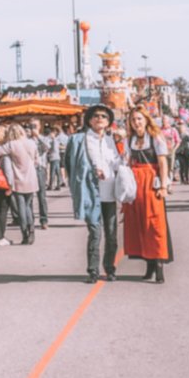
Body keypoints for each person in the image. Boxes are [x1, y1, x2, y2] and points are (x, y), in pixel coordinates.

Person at [65, 105, 121, 283]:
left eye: (104, 116)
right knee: (95, 233)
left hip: (110, 192)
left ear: (108, 121)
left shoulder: (110, 140)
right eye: (95, 116)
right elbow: (70, 165)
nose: (99, 118)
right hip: (91, 192)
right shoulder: (80, 140)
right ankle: (93, 271)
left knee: (111, 233)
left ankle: (110, 268)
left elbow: (117, 162)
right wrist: (90, 172)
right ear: (89, 120)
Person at [122, 108, 172, 283]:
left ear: (146, 120)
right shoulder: (130, 140)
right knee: (138, 224)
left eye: (139, 119)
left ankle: (158, 265)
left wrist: (164, 185)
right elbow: (127, 162)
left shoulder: (156, 137)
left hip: (151, 182)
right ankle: (148, 264)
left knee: (154, 223)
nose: (136, 122)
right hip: (135, 183)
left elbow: (162, 162)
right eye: (133, 119)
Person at [0, 123, 40, 245]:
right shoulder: (31, 143)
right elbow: (37, 160)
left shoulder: (12, 144)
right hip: (31, 178)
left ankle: (25, 233)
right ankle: (32, 229)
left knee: (21, 207)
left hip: (19, 179)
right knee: (28, 206)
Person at [28, 120, 50, 229]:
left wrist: (38, 137)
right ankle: (30, 220)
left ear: (40, 126)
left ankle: (44, 220)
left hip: (40, 168)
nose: (33, 128)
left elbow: (47, 148)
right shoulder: (27, 140)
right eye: (31, 126)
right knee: (29, 196)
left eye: (35, 126)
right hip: (30, 169)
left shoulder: (44, 138)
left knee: (42, 196)